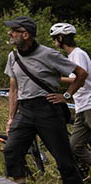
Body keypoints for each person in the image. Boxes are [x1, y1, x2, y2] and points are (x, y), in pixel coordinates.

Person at [3, 16, 87, 184]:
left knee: (64, 159)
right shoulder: (13, 56)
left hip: (48, 109)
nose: (9, 33)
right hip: (25, 110)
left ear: (25, 35)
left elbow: (81, 74)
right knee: (11, 150)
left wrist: (66, 96)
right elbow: (14, 89)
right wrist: (11, 118)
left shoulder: (49, 54)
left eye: (14, 30)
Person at [51, 22, 91, 175]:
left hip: (89, 103)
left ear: (61, 38)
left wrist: (56, 79)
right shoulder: (71, 56)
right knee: (75, 147)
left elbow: (81, 77)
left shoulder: (78, 54)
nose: (54, 42)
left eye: (54, 38)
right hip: (81, 106)